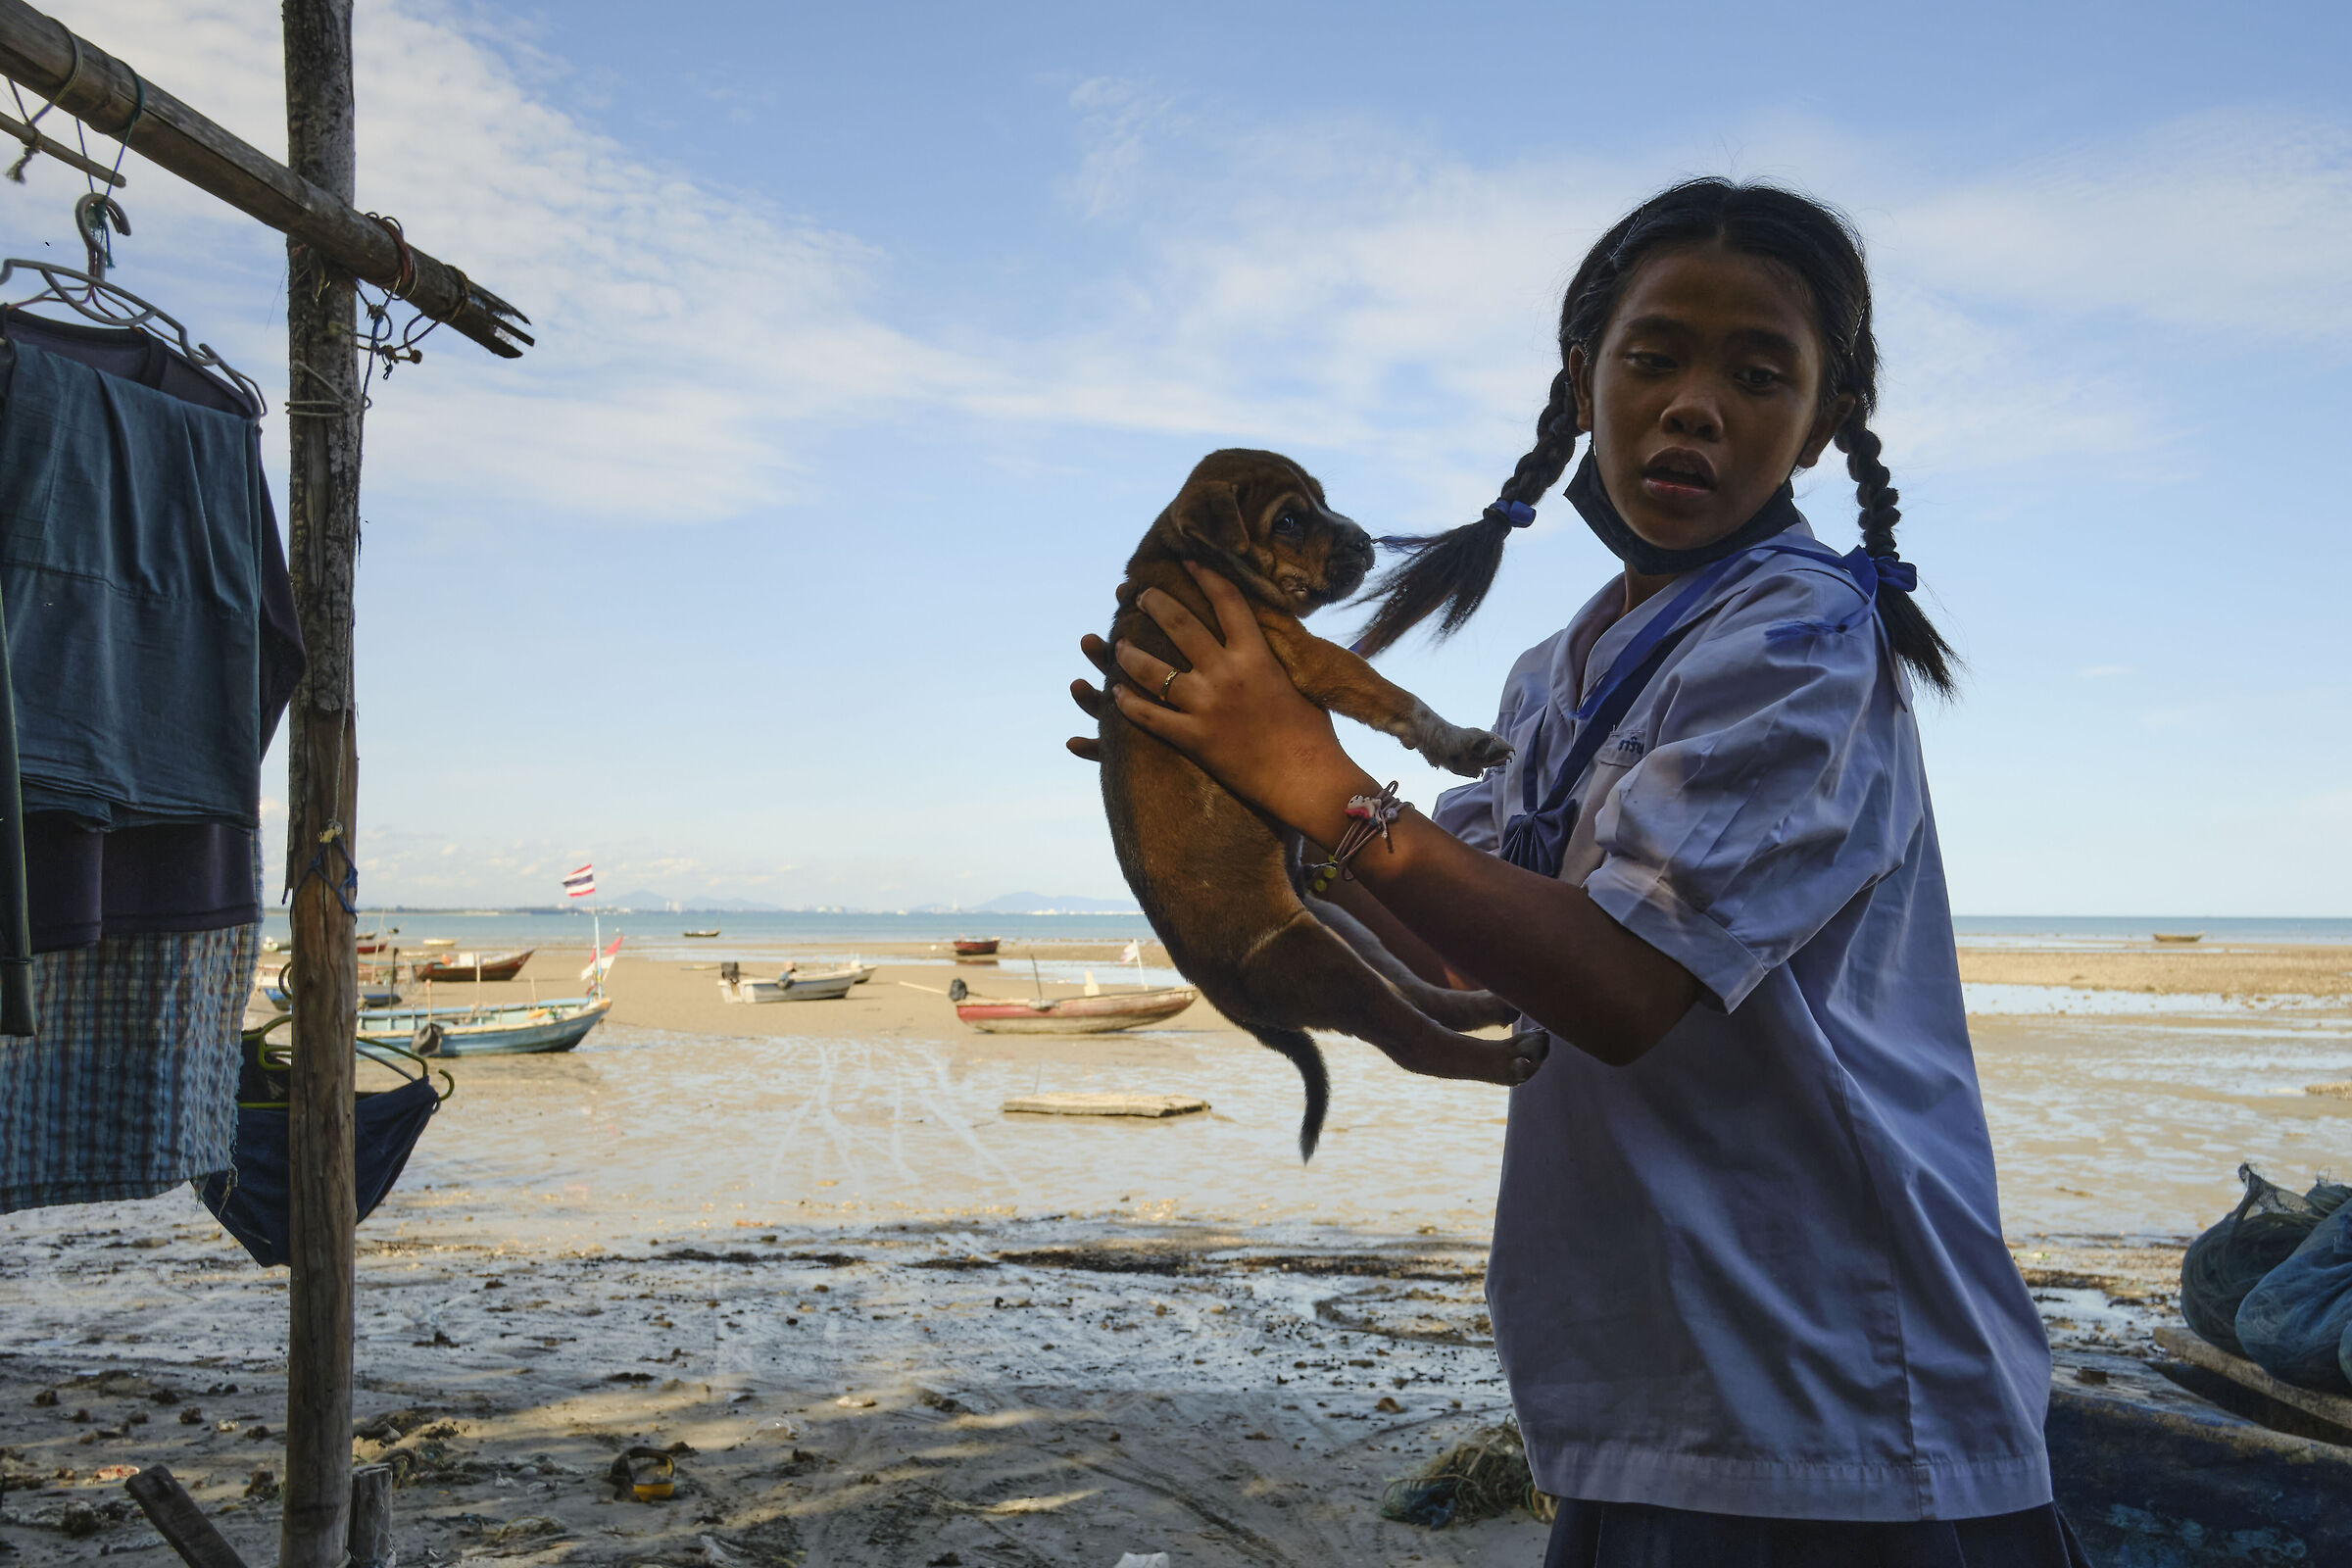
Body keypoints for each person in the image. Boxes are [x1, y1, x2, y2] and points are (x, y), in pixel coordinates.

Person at [1068, 179, 2091, 1566]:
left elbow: (1621, 987)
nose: (1694, 405)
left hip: (1840, 1426)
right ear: (1583, 382)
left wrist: (1325, 783)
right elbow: (1453, 947)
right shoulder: (1556, 671)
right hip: (1644, 1400)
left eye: (1758, 371)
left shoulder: (1798, 645)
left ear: (1825, 418)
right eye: (1653, 356)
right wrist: (1241, 786)